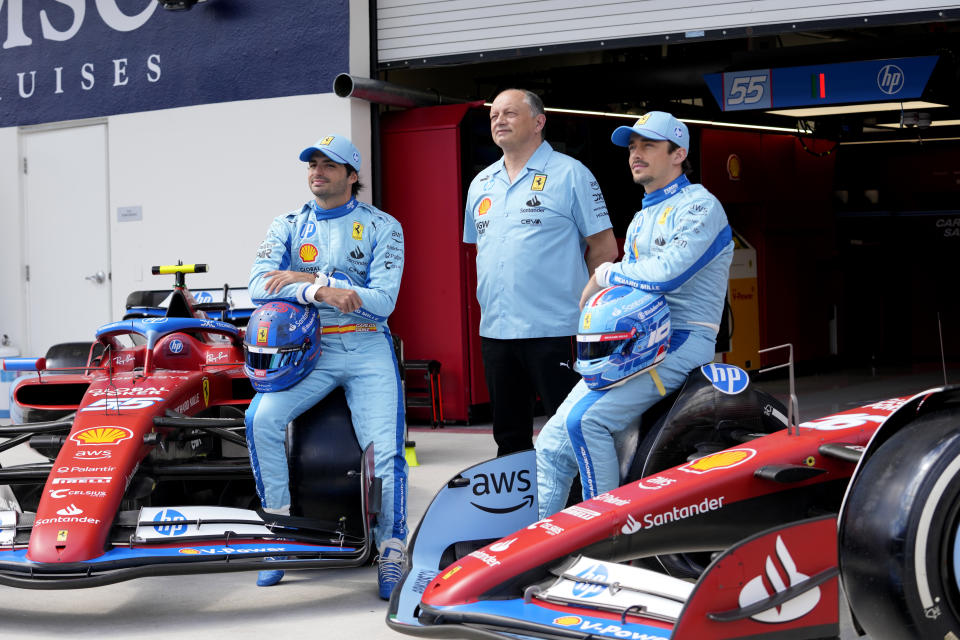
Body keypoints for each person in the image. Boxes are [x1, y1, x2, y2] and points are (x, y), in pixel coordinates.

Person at [535, 111, 734, 518]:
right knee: (552, 443)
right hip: (636, 340)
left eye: (648, 145)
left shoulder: (700, 204)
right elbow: (634, 283)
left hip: (682, 339)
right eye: (632, 146)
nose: (635, 154)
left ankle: (603, 540)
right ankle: (540, 548)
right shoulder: (644, 214)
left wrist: (604, 273)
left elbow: (666, 274)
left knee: (586, 423)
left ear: (678, 153)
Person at [244, 134, 407, 599]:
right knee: (260, 419)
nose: (318, 171)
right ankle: (280, 532)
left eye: (330, 165)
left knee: (387, 450)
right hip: (306, 350)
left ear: (352, 176)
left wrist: (311, 277)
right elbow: (258, 284)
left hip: (366, 344)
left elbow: (382, 301)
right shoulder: (289, 223)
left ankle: (391, 546)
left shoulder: (383, 226)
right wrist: (319, 293)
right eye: (312, 164)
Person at [463, 88, 618, 457]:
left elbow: (604, 249)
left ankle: (580, 511)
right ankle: (518, 514)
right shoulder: (480, 184)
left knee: (572, 432)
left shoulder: (571, 174)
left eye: (510, 113)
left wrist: (593, 315)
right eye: (494, 115)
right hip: (497, 332)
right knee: (509, 440)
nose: (499, 120)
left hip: (557, 330)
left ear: (538, 122)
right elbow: (482, 252)